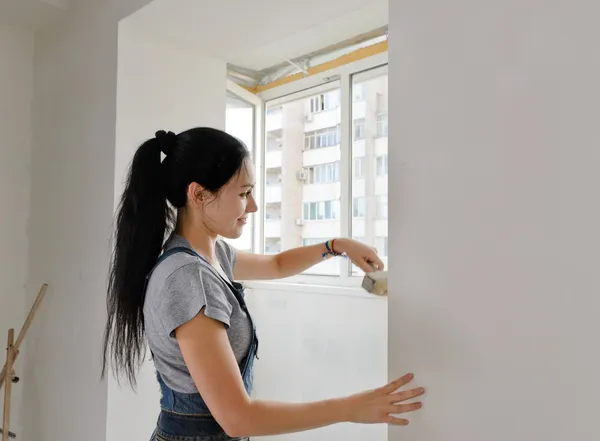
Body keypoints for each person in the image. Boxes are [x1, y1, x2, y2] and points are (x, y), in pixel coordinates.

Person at [101, 127, 425, 441]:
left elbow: (277, 264)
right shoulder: (189, 278)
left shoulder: (212, 255)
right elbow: (237, 418)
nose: (253, 206)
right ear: (198, 194)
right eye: (243, 193)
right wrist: (350, 408)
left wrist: (337, 246)